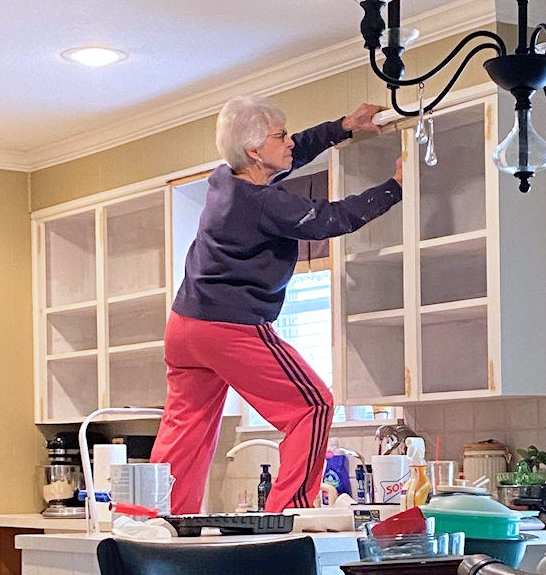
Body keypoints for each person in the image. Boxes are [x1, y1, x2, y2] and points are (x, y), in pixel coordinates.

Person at [151, 95, 403, 514]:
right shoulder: (264, 203)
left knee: (187, 426)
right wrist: (396, 186)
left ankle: (155, 517)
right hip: (228, 325)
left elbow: (290, 155)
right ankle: (291, 511)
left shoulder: (223, 180)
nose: (289, 142)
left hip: (185, 325)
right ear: (254, 150)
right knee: (314, 405)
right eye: (280, 135)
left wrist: (343, 125)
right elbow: (331, 219)